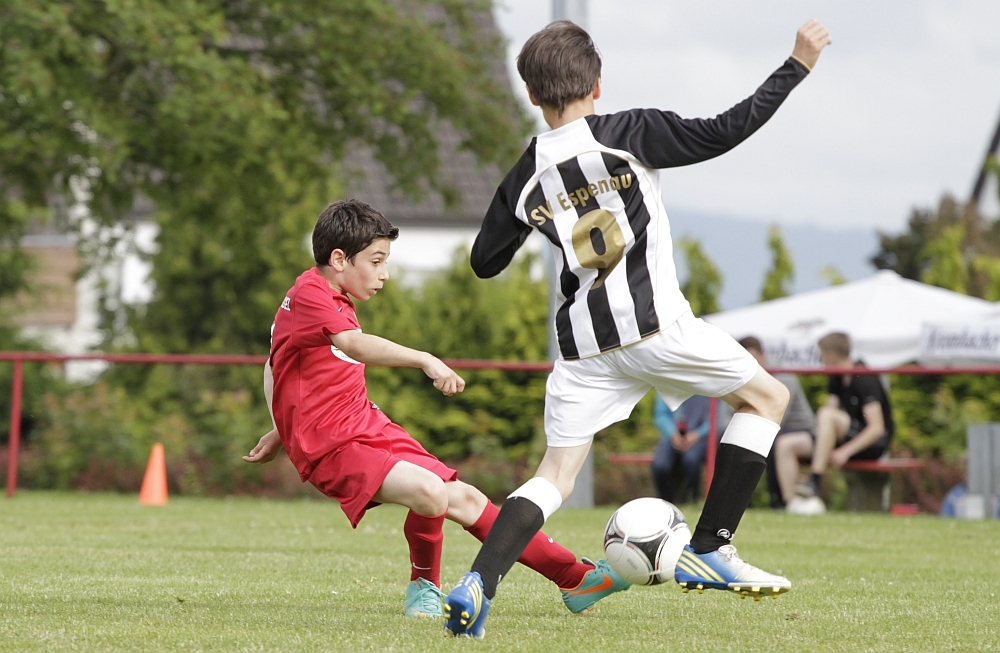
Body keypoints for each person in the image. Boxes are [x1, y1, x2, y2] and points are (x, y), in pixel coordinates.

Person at [443, 19, 832, 638]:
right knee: (768, 399)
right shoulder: (631, 133)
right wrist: (797, 66)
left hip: (584, 346)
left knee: (554, 475)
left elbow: (484, 262)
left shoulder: (527, 173)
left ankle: (477, 584)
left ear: (532, 94)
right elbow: (724, 132)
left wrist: (538, 210)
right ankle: (711, 546)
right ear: (597, 85)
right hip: (653, 325)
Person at [243, 200, 630, 621]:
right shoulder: (311, 294)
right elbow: (352, 345)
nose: (385, 273)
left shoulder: (323, 297)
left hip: (364, 424)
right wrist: (426, 359)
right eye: (376, 261)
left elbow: (277, 364)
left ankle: (575, 578)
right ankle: (423, 587)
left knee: (464, 498)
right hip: (332, 447)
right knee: (430, 492)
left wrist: (281, 429)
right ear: (339, 259)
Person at [793, 332, 894, 512]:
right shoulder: (837, 378)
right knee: (787, 444)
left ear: (831, 355)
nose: (820, 360)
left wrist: (845, 451)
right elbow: (828, 417)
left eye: (821, 355)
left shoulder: (863, 377)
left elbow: (877, 428)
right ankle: (787, 503)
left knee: (826, 415)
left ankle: (815, 480)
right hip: (850, 436)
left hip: (874, 444)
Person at [738, 336, 817, 509]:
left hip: (802, 434)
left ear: (762, 355)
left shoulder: (783, 378)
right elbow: (725, 419)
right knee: (738, 441)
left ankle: (782, 501)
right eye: (744, 359)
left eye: (753, 357)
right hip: (774, 432)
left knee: (772, 443)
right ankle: (741, 502)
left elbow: (777, 417)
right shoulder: (741, 380)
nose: (750, 363)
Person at [650, 395, 715, 504]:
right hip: (671, 438)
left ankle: (692, 500)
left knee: (691, 460)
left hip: (700, 440)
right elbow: (661, 415)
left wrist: (698, 434)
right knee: (660, 465)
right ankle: (665, 502)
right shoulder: (667, 388)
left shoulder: (710, 390)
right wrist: (672, 433)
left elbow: (716, 418)